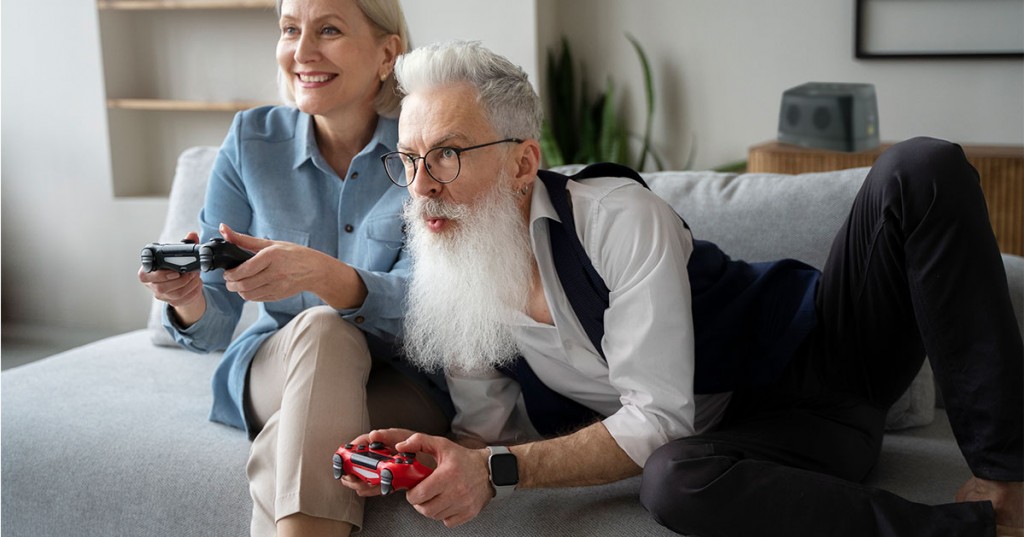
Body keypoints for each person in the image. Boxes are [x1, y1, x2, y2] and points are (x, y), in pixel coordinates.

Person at [339, 40, 1024, 537]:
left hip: (829, 355)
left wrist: (498, 470)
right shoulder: (453, 265)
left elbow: (651, 416)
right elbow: (489, 431)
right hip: (765, 444)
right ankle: (967, 529)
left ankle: (1008, 477)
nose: (422, 184)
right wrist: (435, 458)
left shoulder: (614, 216)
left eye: (447, 154)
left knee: (921, 166)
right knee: (673, 481)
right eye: (409, 158)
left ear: (523, 162)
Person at [137, 2, 451, 536]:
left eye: (328, 30)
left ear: (387, 53)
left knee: (297, 430)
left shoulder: (425, 148)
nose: (301, 52)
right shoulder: (250, 140)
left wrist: (320, 275)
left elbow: (430, 304)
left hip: (399, 377)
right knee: (323, 332)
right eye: (289, 30)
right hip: (275, 367)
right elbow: (213, 327)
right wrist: (188, 298)